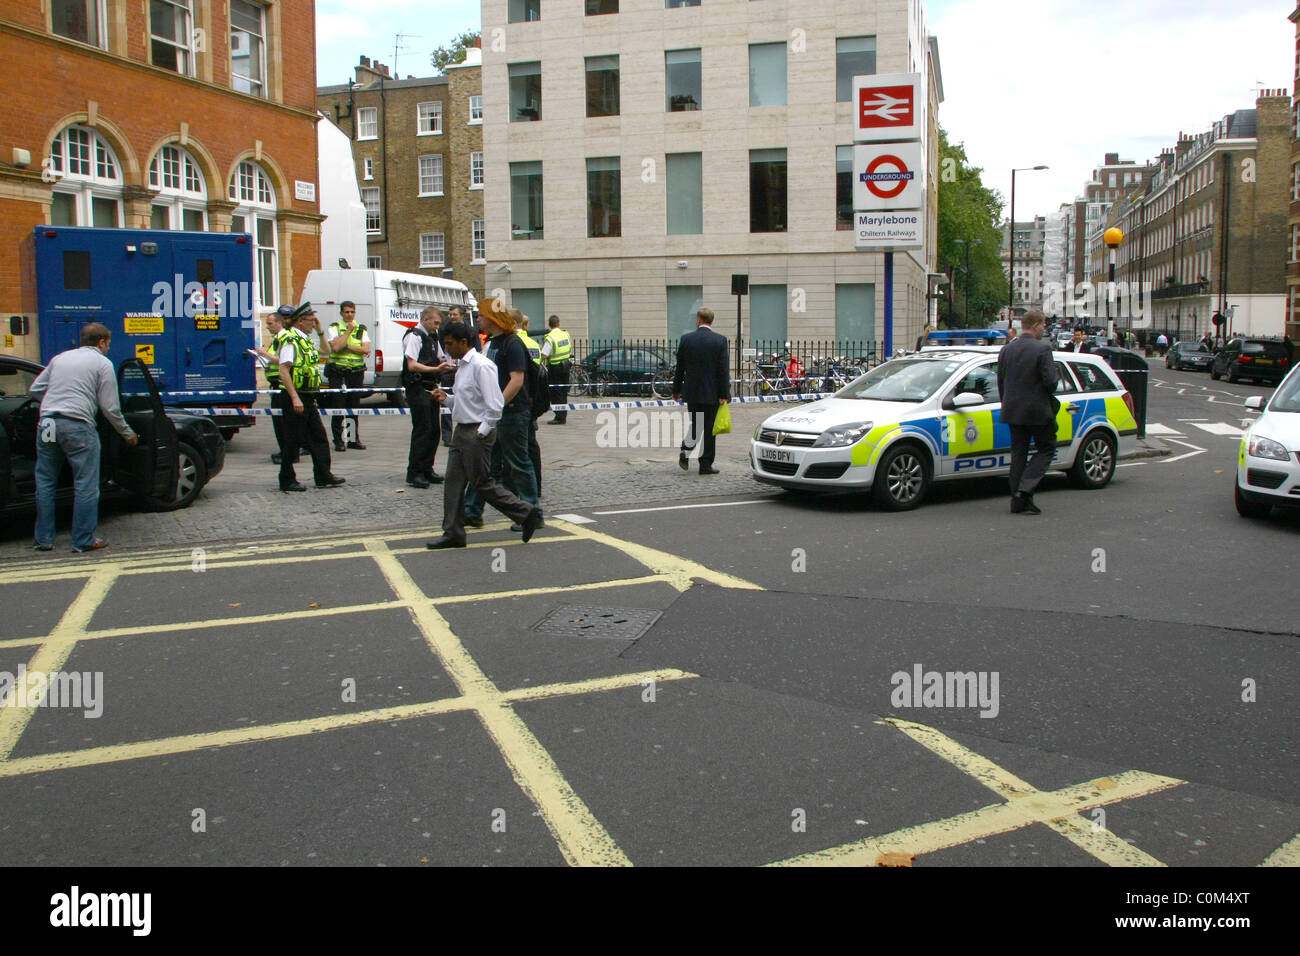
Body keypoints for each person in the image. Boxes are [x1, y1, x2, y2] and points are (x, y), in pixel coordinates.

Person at [425, 321, 542, 549]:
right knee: (453, 483)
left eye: (449, 344)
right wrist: (446, 399)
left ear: (463, 342)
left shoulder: (482, 366)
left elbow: (495, 404)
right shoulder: (463, 366)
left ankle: (525, 512)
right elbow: (466, 402)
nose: (446, 348)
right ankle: (453, 533)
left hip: (477, 431)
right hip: (463, 430)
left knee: (482, 484)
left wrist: (483, 431)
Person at [30, 322, 138, 553]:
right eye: (108, 343)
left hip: (48, 422)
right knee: (85, 484)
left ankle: (43, 540)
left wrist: (53, 403)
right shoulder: (102, 363)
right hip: (77, 424)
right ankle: (83, 540)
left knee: (46, 480)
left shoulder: (60, 358)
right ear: (101, 342)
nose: (108, 348)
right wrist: (127, 433)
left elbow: (35, 389)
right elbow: (110, 407)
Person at [462, 300, 541, 530]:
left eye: (482, 315)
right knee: (486, 464)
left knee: (517, 462)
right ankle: (472, 511)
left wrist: (496, 406)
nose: (478, 319)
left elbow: (517, 380)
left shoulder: (512, 343)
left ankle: (532, 512)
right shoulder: (493, 343)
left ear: (493, 318)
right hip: (498, 413)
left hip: (513, 412)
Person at [275, 303, 345, 492]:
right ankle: (287, 479)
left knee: (318, 437)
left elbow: (326, 351)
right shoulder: (291, 340)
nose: (313, 324)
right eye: (311, 321)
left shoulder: (305, 339)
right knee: (292, 440)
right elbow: (284, 370)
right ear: (300, 321)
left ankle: (323, 475)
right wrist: (295, 398)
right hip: (295, 397)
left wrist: (321, 332)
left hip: (307, 396)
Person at [997, 309, 1059, 516]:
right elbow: (1051, 382)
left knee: (1019, 454)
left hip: (1013, 410)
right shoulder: (1043, 349)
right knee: (1047, 447)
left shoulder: (1006, 350)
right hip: (1038, 410)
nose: (1044, 329)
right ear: (1036, 325)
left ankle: (1018, 499)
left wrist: (1006, 401)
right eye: (1043, 325)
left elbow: (1001, 381)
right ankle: (1025, 489)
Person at [672, 307, 730, 475]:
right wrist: (724, 394)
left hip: (693, 393)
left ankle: (686, 448)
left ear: (699, 320)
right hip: (712, 394)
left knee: (696, 425)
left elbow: (680, 369)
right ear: (711, 321)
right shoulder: (719, 341)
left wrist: (676, 390)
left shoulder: (686, 339)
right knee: (710, 429)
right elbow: (723, 370)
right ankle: (705, 464)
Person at [402, 307, 450, 488]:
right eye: (435, 323)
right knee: (422, 430)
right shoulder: (414, 336)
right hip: (418, 387)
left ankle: (427, 469)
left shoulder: (432, 337)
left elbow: (440, 357)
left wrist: (449, 364)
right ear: (425, 319)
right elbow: (412, 365)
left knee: (434, 431)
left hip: (430, 387)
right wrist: (435, 370)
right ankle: (415, 472)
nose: (437, 327)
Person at [325, 300, 369, 452]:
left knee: (353, 407)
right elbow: (336, 347)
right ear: (341, 313)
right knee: (338, 406)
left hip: (355, 373)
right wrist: (347, 332)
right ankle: (338, 440)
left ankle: (351, 439)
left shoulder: (361, 329)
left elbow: (365, 349)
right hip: (338, 372)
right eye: (347, 312)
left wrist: (347, 345)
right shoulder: (334, 328)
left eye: (352, 312)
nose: (350, 315)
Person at [511, 309, 544, 498]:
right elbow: (537, 372)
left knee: (516, 451)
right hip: (531, 399)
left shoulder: (512, 343)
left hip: (515, 400)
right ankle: (535, 486)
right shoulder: (533, 343)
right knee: (530, 445)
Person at [540, 314, 572, 424]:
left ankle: (559, 417)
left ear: (549, 325)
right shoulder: (565, 334)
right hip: (566, 365)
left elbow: (544, 354)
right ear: (558, 323)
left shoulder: (550, 337)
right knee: (564, 391)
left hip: (555, 368)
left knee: (556, 393)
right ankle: (563, 415)